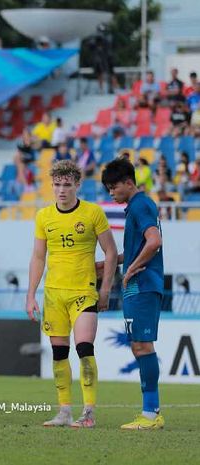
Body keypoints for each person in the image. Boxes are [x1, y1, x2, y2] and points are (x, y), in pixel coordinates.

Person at [26, 160, 118, 428]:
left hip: (83, 292)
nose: (61, 190)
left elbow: (110, 252)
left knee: (85, 349)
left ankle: (88, 412)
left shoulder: (93, 213)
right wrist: (31, 294)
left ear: (78, 185)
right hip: (54, 294)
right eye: (57, 185)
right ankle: (64, 411)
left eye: (67, 185)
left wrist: (105, 290)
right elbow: (38, 257)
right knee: (58, 353)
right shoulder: (44, 216)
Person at [101, 158, 165, 430]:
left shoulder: (140, 205)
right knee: (138, 346)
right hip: (137, 286)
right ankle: (150, 412)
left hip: (143, 285)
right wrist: (113, 264)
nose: (111, 193)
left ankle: (151, 414)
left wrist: (130, 270)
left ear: (129, 182)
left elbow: (154, 242)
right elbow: (141, 247)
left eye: (113, 187)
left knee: (142, 346)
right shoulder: (135, 208)